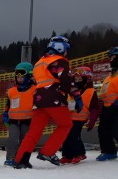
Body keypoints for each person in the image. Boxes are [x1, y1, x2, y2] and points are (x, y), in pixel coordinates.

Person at [14, 36, 82, 169]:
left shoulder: (40, 62)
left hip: (39, 100)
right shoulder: (59, 61)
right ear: (60, 48)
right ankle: (48, 152)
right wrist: (77, 96)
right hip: (54, 98)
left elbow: (35, 80)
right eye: (66, 50)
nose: (66, 54)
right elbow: (66, 80)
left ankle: (21, 160)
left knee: (34, 132)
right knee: (66, 125)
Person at [61, 66, 100, 163]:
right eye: (75, 79)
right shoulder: (71, 91)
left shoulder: (90, 92)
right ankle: (68, 155)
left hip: (80, 118)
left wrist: (92, 121)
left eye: (80, 79)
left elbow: (95, 108)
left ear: (87, 79)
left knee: (72, 135)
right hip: (69, 117)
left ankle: (77, 154)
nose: (77, 81)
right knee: (66, 135)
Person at [2, 62, 35, 166]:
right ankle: (10, 158)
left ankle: (22, 159)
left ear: (29, 76)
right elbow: (8, 104)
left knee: (25, 141)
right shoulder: (11, 91)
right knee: (12, 139)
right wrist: (5, 115)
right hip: (14, 120)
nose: (19, 78)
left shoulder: (34, 90)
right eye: (18, 76)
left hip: (28, 120)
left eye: (22, 76)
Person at [96, 46, 118, 161]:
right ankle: (109, 151)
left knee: (116, 130)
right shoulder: (109, 77)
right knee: (103, 130)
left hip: (116, 107)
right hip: (107, 108)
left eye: (113, 57)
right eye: (110, 58)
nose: (111, 60)